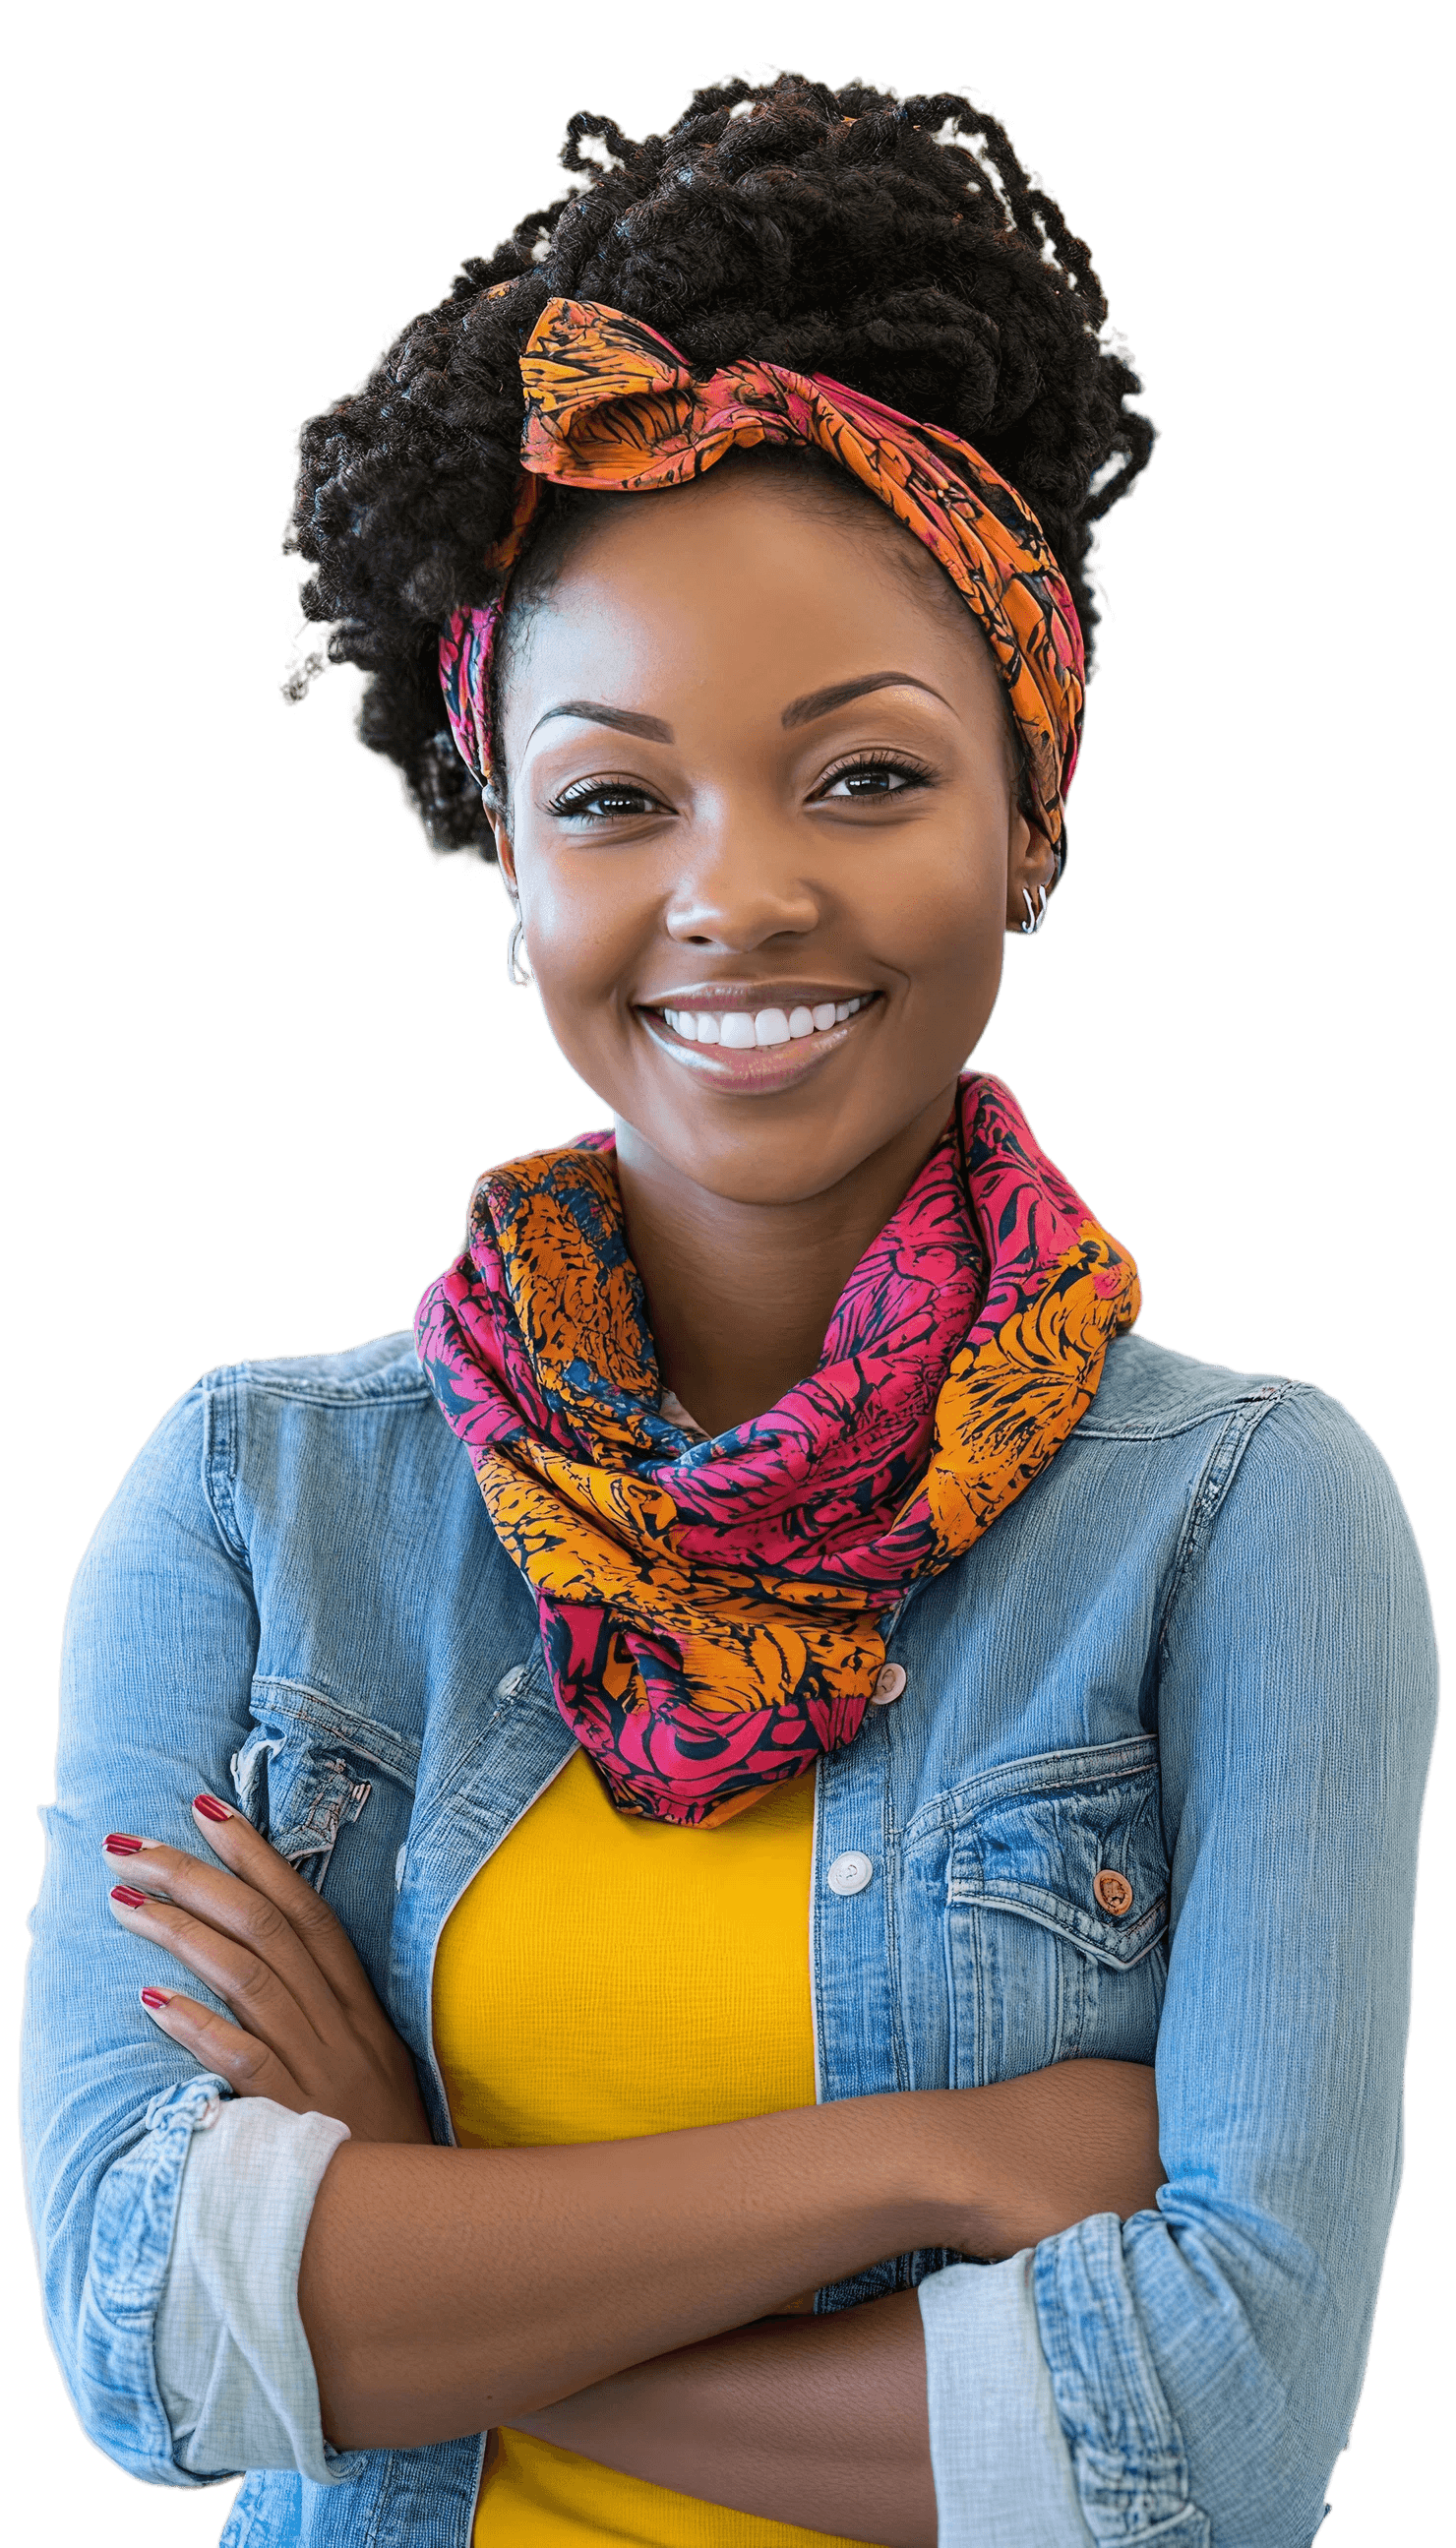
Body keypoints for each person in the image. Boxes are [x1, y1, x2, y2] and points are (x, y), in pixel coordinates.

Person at [20, 67, 1438, 2548]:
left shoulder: (1239, 1524)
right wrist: (939, 2154)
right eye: (609, 795)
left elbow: (1212, 2438)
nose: (733, 894)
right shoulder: (257, 1502)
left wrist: (401, 2229)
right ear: (505, 863)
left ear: (1038, 813)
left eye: (864, 777)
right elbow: (147, 2332)